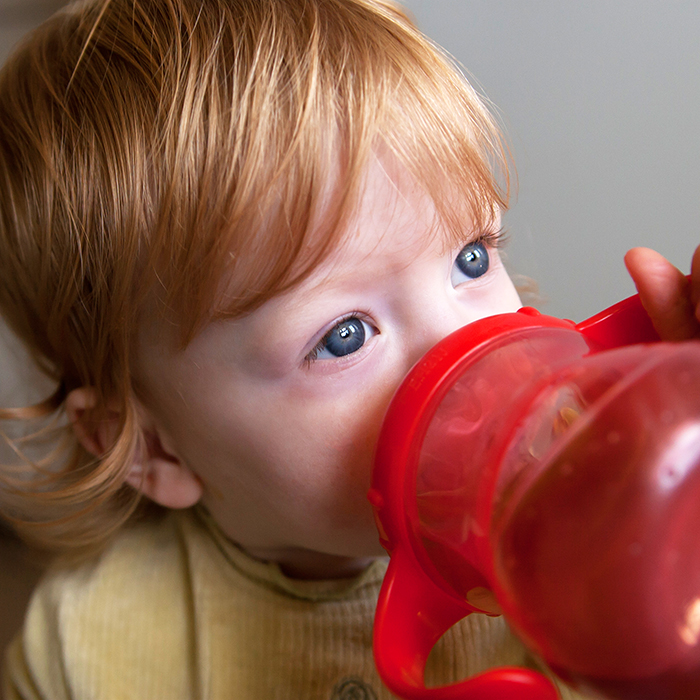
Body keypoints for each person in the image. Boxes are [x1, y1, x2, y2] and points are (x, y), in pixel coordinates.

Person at [0, 0, 697, 698]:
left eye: (471, 260)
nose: (462, 346)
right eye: (345, 336)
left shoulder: (594, 534)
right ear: (151, 448)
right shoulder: (80, 650)